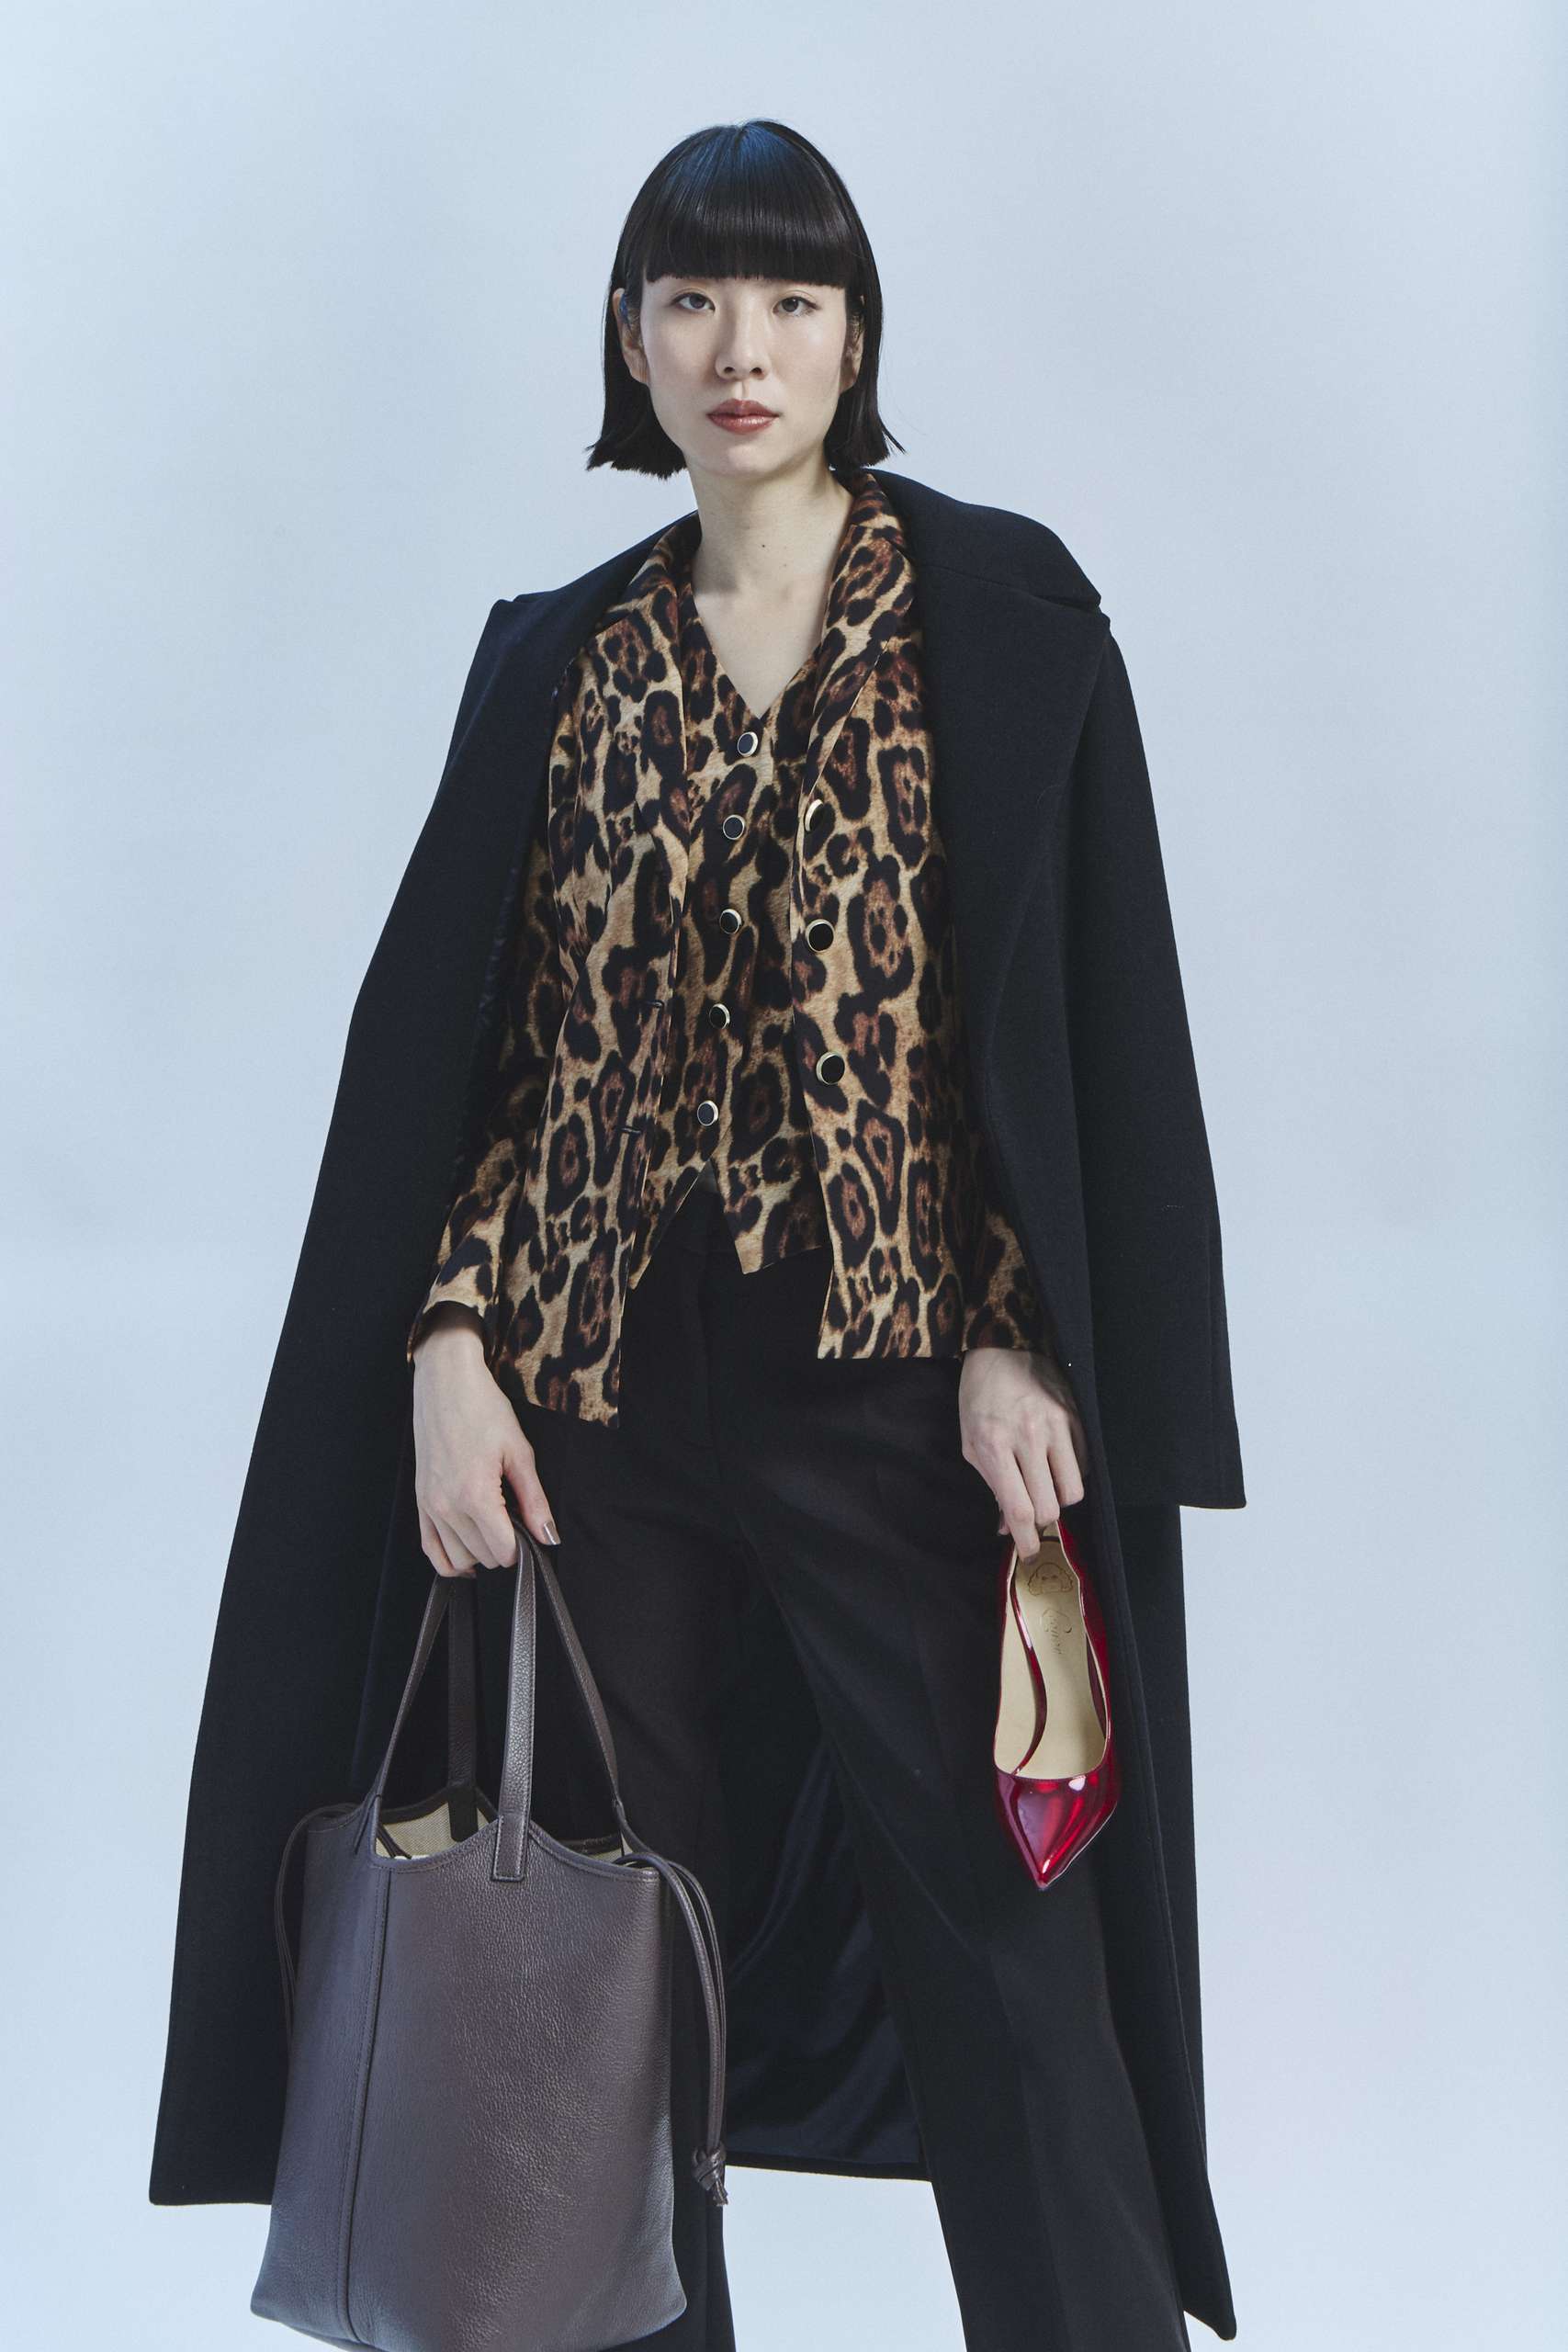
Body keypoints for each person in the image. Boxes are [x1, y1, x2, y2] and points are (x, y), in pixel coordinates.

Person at [148, 118, 1247, 2352]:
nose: (740, 347)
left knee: (1015, 1957)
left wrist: (1020, 1329)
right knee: (594, 1986)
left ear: (853, 338)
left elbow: (1070, 1029)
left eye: (789, 300)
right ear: (628, 341)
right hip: (590, 1402)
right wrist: (444, 1343)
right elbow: (486, 1056)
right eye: (691, 299)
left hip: (897, 1381)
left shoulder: (1000, 620)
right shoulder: (552, 660)